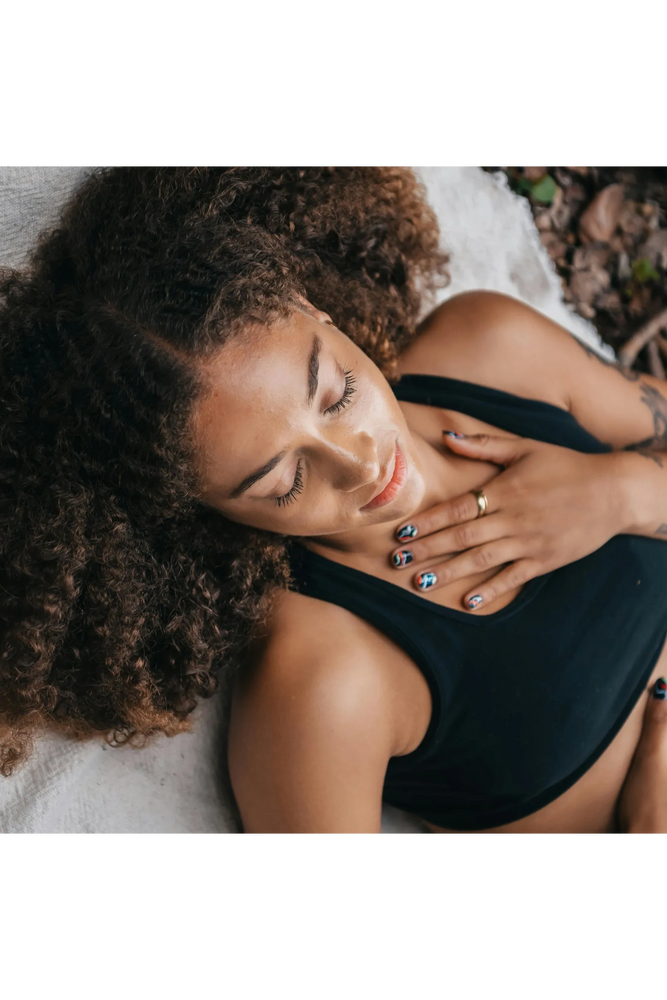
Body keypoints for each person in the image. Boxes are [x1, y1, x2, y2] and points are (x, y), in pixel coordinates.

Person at [1, 163, 666, 835]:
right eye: (284, 481)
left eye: (336, 393)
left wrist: (625, 491)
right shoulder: (321, 681)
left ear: (309, 307)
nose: (359, 462)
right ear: (197, 509)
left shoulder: (491, 347)